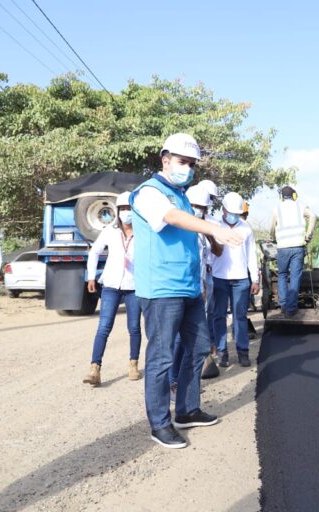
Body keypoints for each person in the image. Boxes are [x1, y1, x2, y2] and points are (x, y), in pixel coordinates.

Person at [130, 133, 243, 449]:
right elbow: (172, 218)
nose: (188, 168)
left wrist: (200, 285)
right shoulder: (149, 193)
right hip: (162, 289)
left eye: (192, 164)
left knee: (198, 347)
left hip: (189, 288)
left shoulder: (179, 193)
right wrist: (214, 228)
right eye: (182, 162)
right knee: (162, 357)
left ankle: (187, 409)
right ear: (165, 159)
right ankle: (159, 424)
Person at [82, 192, 142, 387]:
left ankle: (133, 365)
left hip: (134, 286)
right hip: (110, 285)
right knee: (104, 327)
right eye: (123, 209)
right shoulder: (110, 231)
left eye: (130, 209)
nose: (126, 213)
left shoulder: (143, 232)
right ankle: (94, 369)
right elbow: (95, 252)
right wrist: (91, 275)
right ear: (117, 211)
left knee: (134, 328)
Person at [169, 183, 221, 398]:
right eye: (195, 206)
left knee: (194, 343)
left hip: (198, 289)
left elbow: (214, 253)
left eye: (202, 207)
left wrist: (209, 233)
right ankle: (172, 382)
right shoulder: (176, 227)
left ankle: (183, 386)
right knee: (178, 340)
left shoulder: (206, 228)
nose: (199, 210)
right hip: (178, 288)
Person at [211, 192, 259, 368]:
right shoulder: (214, 226)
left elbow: (251, 255)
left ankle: (243, 352)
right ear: (223, 209)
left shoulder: (246, 228)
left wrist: (255, 279)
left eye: (236, 213)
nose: (233, 216)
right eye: (230, 212)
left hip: (241, 279)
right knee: (219, 316)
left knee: (240, 317)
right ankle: (222, 352)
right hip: (219, 278)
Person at [269, 186, 316, 316]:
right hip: (298, 247)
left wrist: (272, 237)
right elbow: (313, 216)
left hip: (283, 248)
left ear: (281, 197)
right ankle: (291, 308)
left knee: (282, 275)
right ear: (294, 196)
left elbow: (272, 227)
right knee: (295, 276)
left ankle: (283, 305)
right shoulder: (300, 206)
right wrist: (308, 235)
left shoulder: (276, 208)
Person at [240, 201, 259, 340]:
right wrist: (255, 279)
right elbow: (252, 255)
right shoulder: (246, 227)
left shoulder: (221, 225)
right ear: (246, 213)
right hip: (242, 272)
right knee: (241, 304)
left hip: (223, 273)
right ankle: (241, 328)